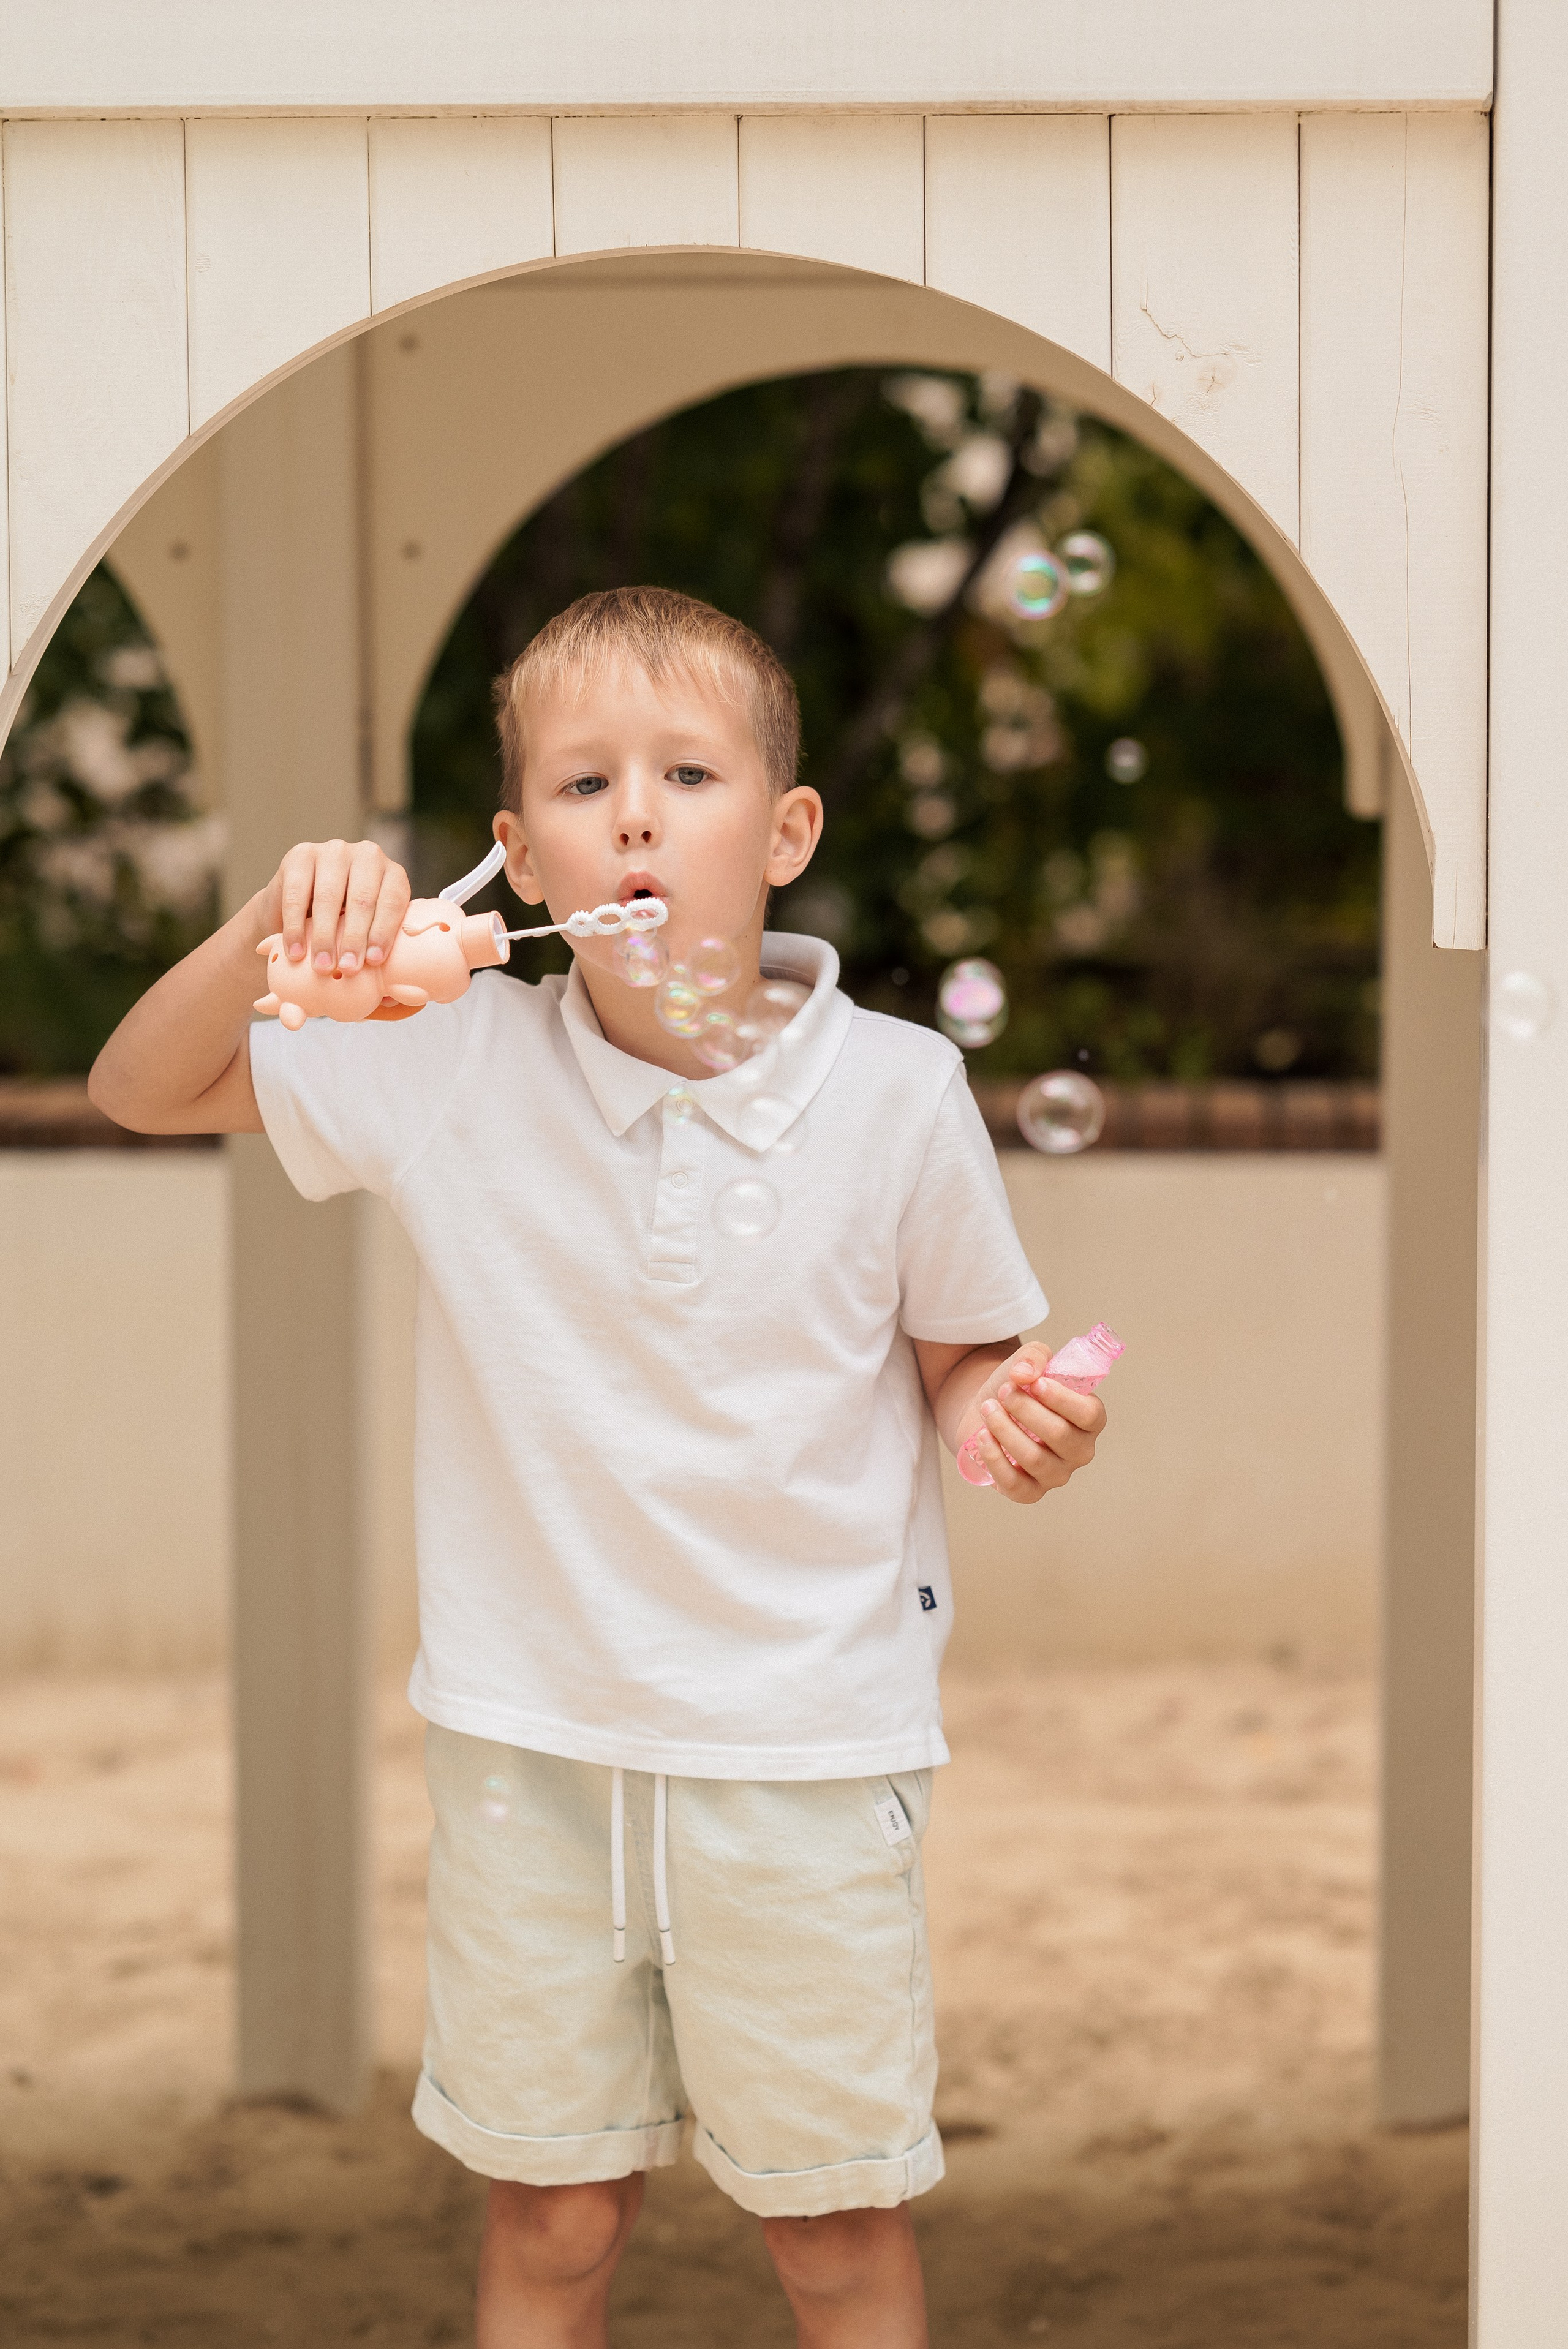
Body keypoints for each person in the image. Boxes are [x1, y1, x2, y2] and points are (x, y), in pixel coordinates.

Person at [90, 586, 1106, 2349]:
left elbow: (959, 1355)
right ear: (518, 856)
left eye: (688, 772)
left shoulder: (899, 1091)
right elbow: (136, 1086)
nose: (634, 812)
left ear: (785, 831)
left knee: (834, 2228)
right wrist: (287, 908)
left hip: (800, 1753)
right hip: (528, 1750)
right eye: (582, 784)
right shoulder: (444, 1058)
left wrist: (1004, 1419)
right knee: (554, 2212)